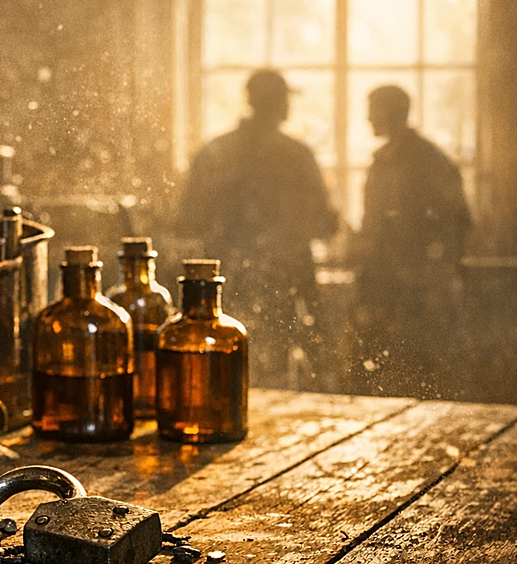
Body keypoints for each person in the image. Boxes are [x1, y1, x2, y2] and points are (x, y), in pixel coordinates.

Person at [176, 69, 339, 389]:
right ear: (279, 103)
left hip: (226, 283)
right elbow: (324, 223)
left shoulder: (216, 153)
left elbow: (187, 221)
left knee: (223, 372)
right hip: (283, 283)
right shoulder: (295, 156)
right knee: (275, 374)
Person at [349, 85, 471, 398]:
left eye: (373, 110)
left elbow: (456, 223)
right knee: (378, 371)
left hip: (415, 291)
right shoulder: (386, 162)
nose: (368, 118)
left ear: (390, 112)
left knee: (416, 372)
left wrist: (433, 276)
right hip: (382, 286)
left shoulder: (428, 162)